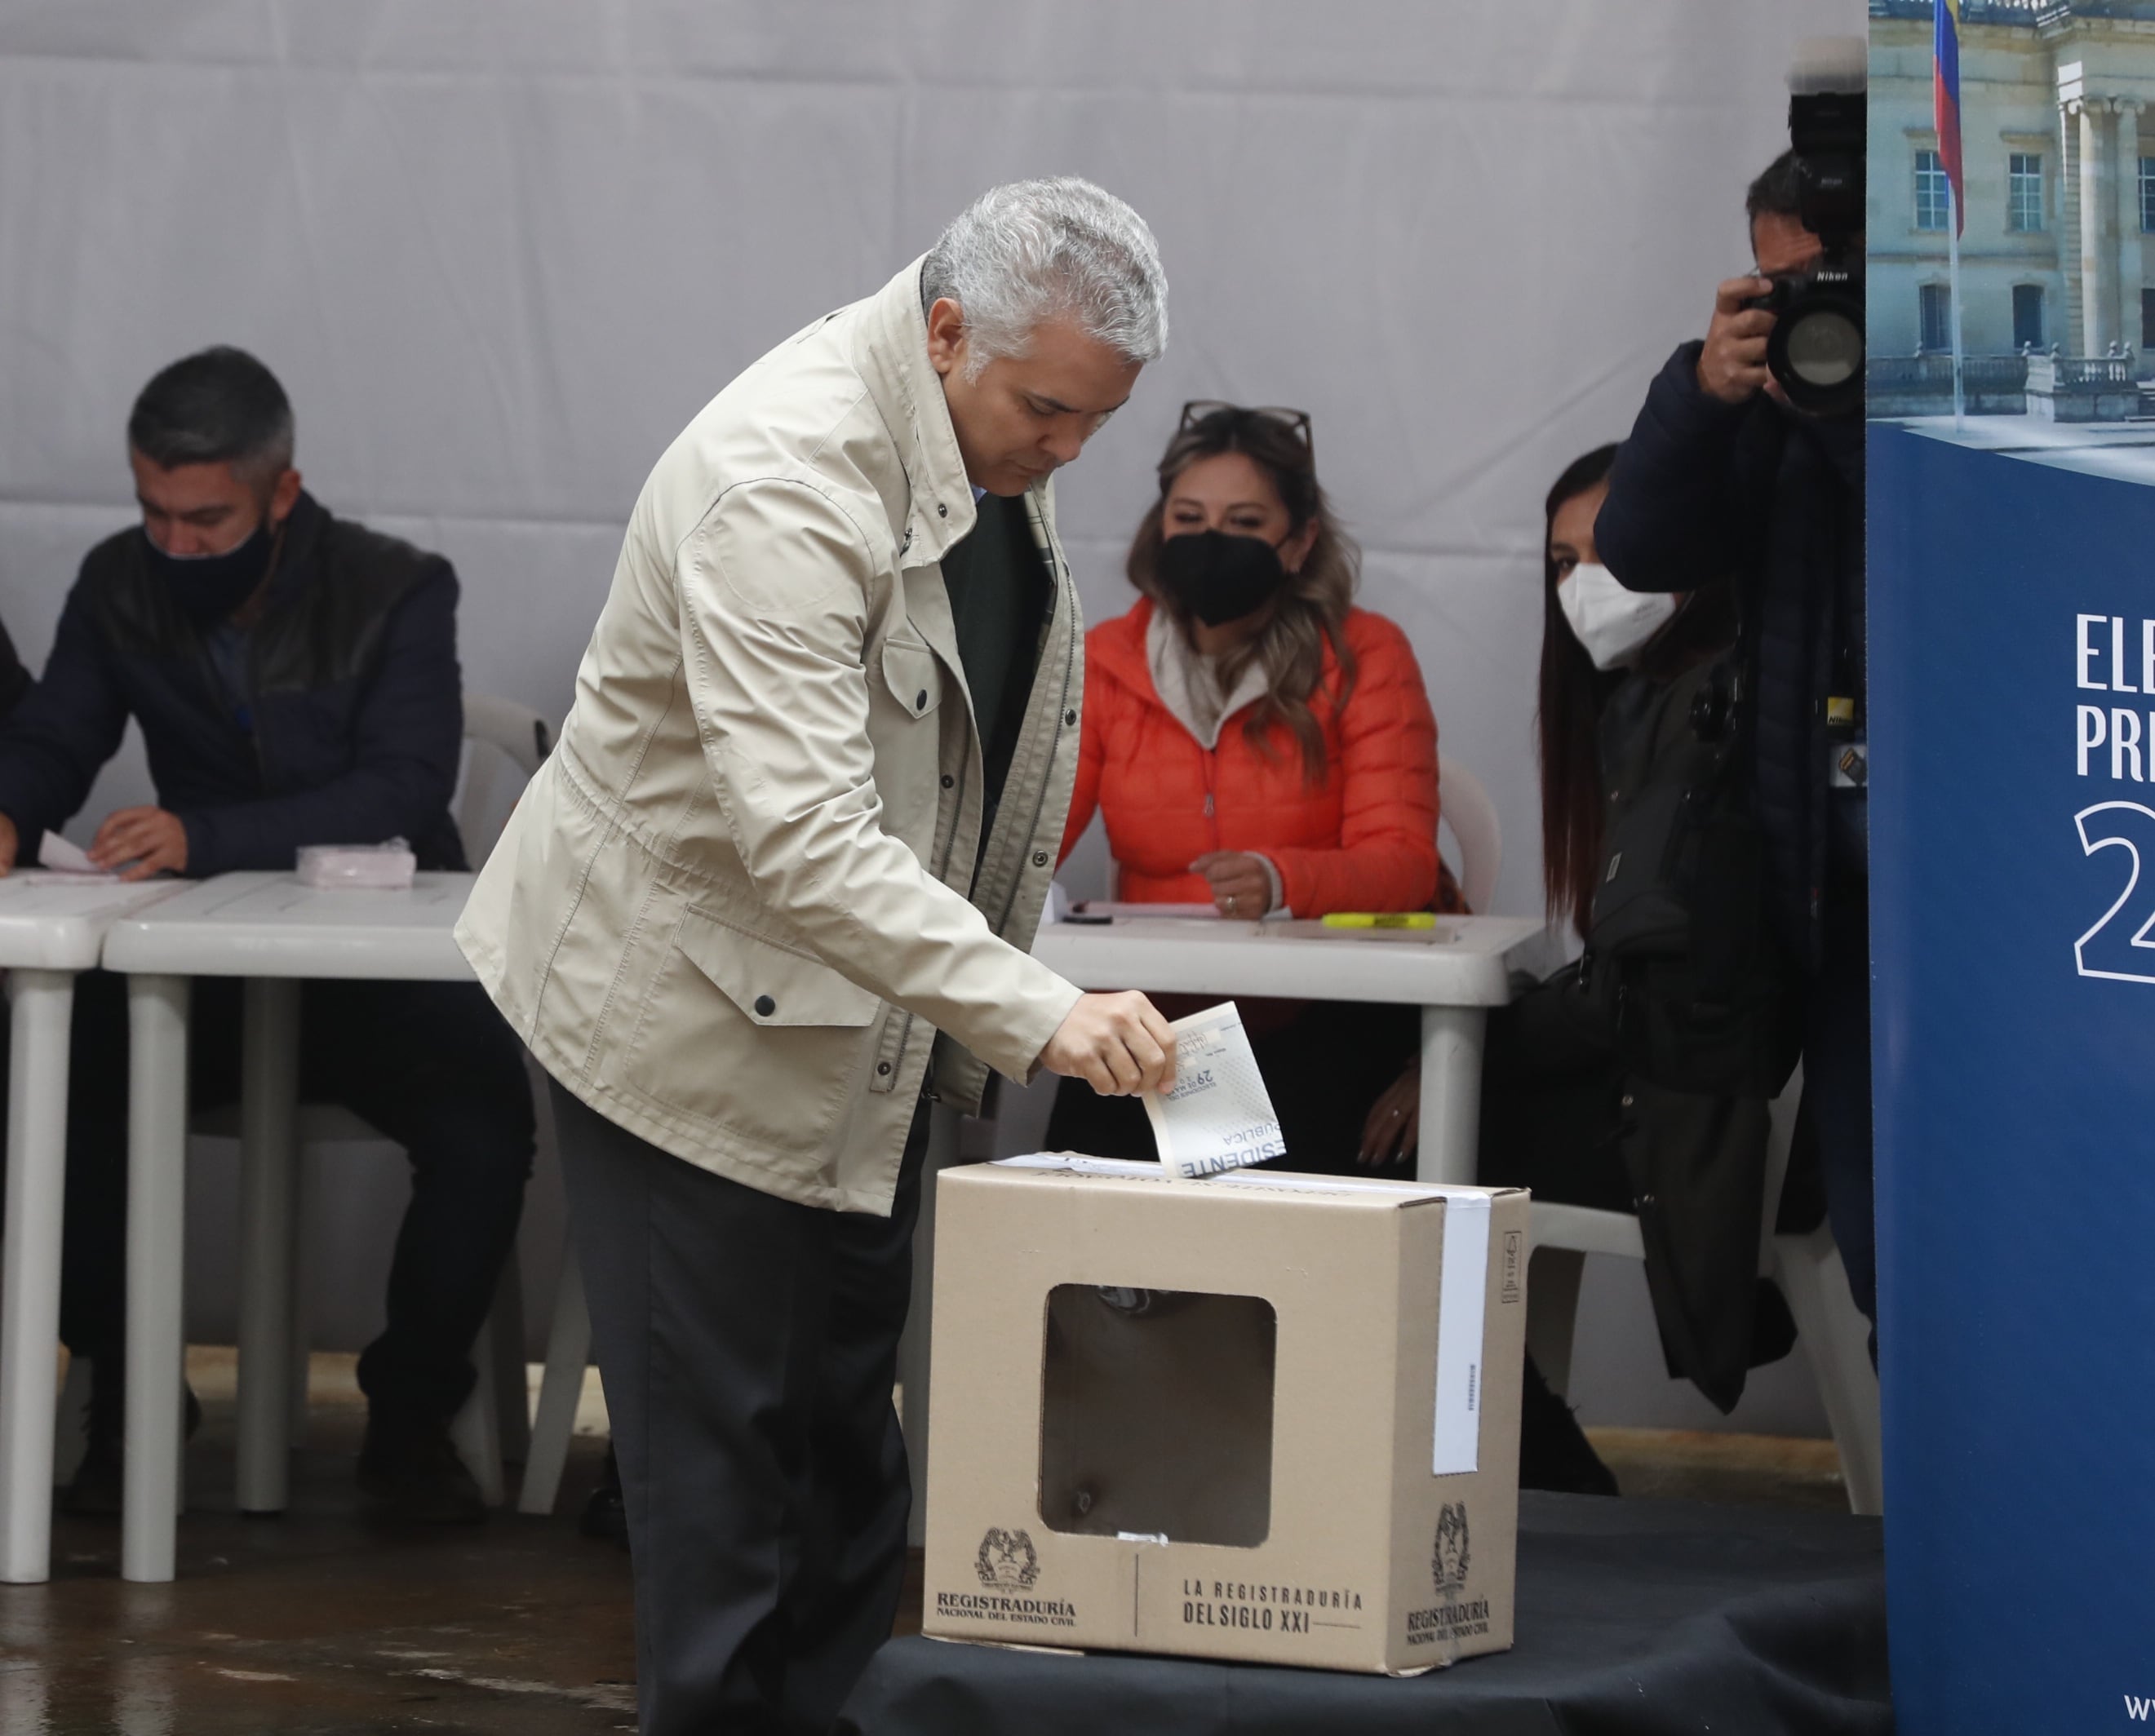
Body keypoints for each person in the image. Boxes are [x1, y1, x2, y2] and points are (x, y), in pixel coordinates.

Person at [455, 179, 1177, 1736]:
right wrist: (1036, 1009)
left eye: (1098, 422)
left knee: (846, 1457)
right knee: (725, 1481)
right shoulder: (780, 479)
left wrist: (972, 1016)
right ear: (945, 331)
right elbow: (805, 838)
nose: (1068, 452)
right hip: (682, 1021)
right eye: (1050, 412)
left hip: (865, 1014)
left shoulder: (985, 422)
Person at [0, 346, 535, 1522]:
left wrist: (202, 832)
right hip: (206, 968)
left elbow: (401, 786)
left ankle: (410, 1415)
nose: (176, 543)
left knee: (486, 1124)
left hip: (381, 965)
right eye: (154, 513)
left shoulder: (398, 586)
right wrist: (10, 809)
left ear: (281, 491)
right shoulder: (118, 582)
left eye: (207, 520)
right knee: (45, 1074)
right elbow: (56, 735)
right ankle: (129, 1385)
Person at [1594, 151, 1872, 1330]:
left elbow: (1959, 556)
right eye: (1779, 284)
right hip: (1823, 878)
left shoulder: (1979, 389)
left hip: (1977, 876)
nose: (1810, 306)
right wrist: (1703, 395)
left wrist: (1849, 413)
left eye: (1833, 278)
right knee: (1880, 1229)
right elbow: (1640, 548)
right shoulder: (1758, 391)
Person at [1043, 400, 1453, 1173]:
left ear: (1298, 542)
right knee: (1078, 1204)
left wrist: (1281, 879)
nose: (1211, 541)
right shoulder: (1104, 658)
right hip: (1150, 1021)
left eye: (1243, 523)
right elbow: (1034, 838)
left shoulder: (1364, 654)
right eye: (1188, 518)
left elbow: (1404, 863)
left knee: (1288, 1211)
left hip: (1314, 1013)